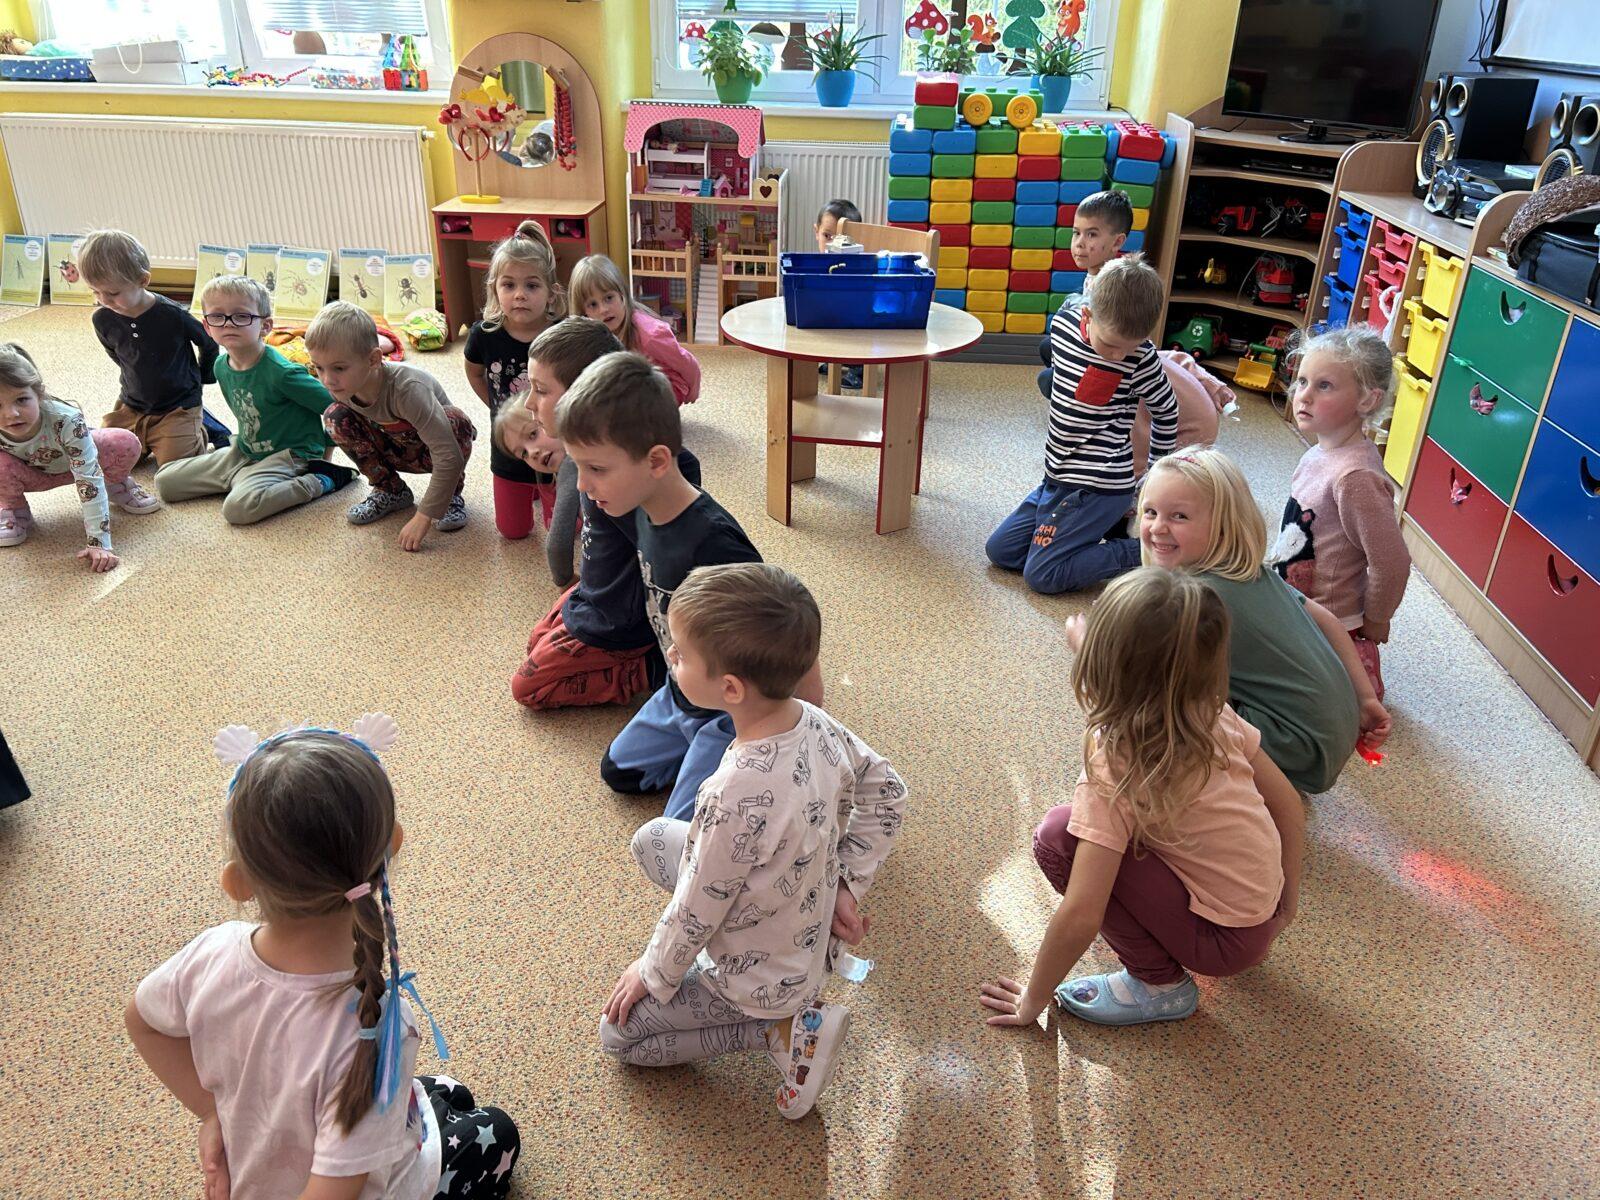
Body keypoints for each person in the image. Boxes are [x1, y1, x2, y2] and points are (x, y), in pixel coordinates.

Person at [127, 716, 520, 1199]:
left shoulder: (209, 952)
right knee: (496, 1131)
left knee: (443, 1093)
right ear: (392, 843)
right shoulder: (377, 1030)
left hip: (268, 1166)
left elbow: (142, 1023)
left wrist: (210, 1111)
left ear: (239, 882)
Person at [600, 563, 905, 1120]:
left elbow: (698, 907)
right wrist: (847, 884)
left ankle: (779, 1031)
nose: (671, 655)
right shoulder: (813, 719)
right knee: (652, 839)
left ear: (731, 689)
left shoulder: (731, 795)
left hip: (759, 980)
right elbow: (889, 790)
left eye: (681, 654)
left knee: (618, 1036)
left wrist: (651, 971)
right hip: (804, 922)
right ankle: (781, 1016)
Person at [980, 569, 1304, 1027]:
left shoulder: (1115, 763)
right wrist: (1286, 903)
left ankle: (1158, 983)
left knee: (1058, 838)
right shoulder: (1211, 712)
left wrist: (1033, 999)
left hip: (1219, 944)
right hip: (1259, 920)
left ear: (1101, 666)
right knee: (1117, 832)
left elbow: (1082, 913)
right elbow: (1288, 806)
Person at [552, 352, 822, 820]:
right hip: (681, 688)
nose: (583, 485)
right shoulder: (633, 504)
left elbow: (783, 623)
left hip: (730, 709)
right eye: (579, 467)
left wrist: (801, 730)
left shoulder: (716, 543)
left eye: (596, 469)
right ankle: (705, 763)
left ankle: (734, 765)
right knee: (619, 773)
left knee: (686, 831)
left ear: (657, 460)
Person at [1139, 446, 1389, 794]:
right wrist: (1365, 699)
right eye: (1150, 511)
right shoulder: (1251, 572)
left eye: (1179, 516)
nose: (1157, 527)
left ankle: (1247, 792)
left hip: (1297, 749)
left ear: (1224, 528)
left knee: (1161, 709)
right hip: (1328, 735)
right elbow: (1329, 621)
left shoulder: (1197, 599)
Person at [492, 318, 701, 709]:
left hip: (619, 618)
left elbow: (674, 559)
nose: (530, 403)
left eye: (540, 390)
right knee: (535, 641)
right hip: (596, 590)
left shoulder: (633, 474)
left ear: (584, 393)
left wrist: (672, 639)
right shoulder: (582, 458)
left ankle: (647, 669)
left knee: (527, 688)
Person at [985, 255, 1178, 595]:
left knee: (1042, 576)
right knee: (1001, 551)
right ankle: (1089, 535)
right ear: (1087, 317)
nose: (1119, 356)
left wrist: (1154, 475)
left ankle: (1146, 552)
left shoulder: (1142, 357)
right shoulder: (1062, 325)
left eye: (1131, 346)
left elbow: (1167, 410)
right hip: (1056, 476)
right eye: (1112, 345)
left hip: (1101, 485)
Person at [1269, 326, 1410, 700]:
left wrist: (1376, 619)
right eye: (1302, 381)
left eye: (1324, 386)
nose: (1304, 395)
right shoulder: (1317, 453)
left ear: (1367, 400)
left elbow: (1392, 561)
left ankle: (1358, 672)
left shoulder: (1356, 477)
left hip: (1330, 623)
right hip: (1295, 602)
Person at [154, 275, 355, 524]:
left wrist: (324, 455)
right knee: (164, 482)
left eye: (241, 316)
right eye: (217, 316)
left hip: (290, 455)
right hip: (245, 450)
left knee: (237, 509)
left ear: (265, 326)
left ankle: (324, 480)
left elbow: (339, 410)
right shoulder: (221, 366)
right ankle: (245, 479)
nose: (228, 324)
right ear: (207, 326)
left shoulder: (283, 373)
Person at [309, 302, 475, 551]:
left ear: (373, 359)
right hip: (393, 445)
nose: (327, 379)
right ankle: (391, 490)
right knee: (335, 416)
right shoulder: (343, 386)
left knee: (456, 421)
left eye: (339, 368)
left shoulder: (408, 390)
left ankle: (450, 495)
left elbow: (448, 454)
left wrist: (424, 515)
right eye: (319, 367)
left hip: (433, 451)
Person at [0, 342, 155, 569]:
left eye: (21, 399)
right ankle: (14, 508)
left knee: (124, 442)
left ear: (39, 393)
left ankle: (115, 484)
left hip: (85, 466)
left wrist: (99, 543)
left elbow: (88, 477)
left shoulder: (66, 420)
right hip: (31, 474)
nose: (11, 414)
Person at [78, 229, 224, 466]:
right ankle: (168, 431)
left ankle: (202, 426)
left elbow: (208, 342)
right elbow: (117, 355)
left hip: (178, 405)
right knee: (105, 460)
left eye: (113, 293)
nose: (103, 300)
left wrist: (203, 376)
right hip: (132, 405)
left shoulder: (173, 315)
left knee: (176, 469)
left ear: (143, 280)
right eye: (95, 291)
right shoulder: (102, 319)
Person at [463, 221, 563, 541]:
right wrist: (496, 408)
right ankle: (529, 487)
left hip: (551, 445)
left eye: (532, 286)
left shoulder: (560, 335)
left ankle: (543, 487)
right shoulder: (484, 335)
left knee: (566, 529)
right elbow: (473, 371)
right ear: (495, 289)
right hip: (508, 448)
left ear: (551, 293)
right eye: (509, 285)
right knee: (512, 531)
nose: (520, 295)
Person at [567, 254, 701, 405]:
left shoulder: (651, 336)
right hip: (636, 381)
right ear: (584, 312)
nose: (603, 309)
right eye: (593, 304)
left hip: (666, 387)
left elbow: (686, 363)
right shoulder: (594, 334)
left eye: (609, 298)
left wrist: (694, 391)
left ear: (622, 295)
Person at [1036, 190, 1131, 398]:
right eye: (1076, 233)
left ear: (1117, 242)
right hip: (1087, 352)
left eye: (1092, 234)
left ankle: (1077, 400)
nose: (1079, 242)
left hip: (1105, 365)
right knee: (1047, 346)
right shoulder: (1096, 273)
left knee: (1047, 380)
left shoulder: (1114, 286)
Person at [814, 199, 864, 391]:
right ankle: (833, 359)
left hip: (856, 327)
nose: (831, 246)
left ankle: (858, 368)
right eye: (827, 236)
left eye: (842, 240)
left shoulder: (856, 264)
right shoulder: (817, 264)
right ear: (816, 232)